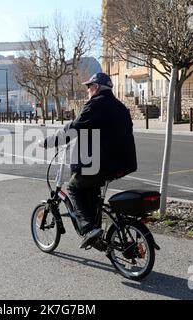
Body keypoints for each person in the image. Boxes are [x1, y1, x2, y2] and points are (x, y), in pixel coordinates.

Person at [44, 72, 137, 249]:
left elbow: (75, 127)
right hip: (124, 163)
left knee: (73, 187)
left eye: (89, 87)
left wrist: (51, 142)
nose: (87, 90)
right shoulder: (120, 107)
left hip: (101, 162)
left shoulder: (96, 104)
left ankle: (88, 229)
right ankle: (97, 232)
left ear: (96, 88)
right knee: (91, 188)